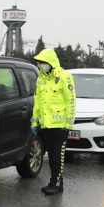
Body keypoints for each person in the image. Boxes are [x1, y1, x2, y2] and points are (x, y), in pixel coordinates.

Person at [31, 48, 76, 195]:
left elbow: (71, 101)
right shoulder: (41, 78)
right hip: (46, 125)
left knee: (58, 156)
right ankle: (55, 182)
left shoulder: (64, 76)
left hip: (60, 126)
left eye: (43, 62)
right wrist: (34, 122)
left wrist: (69, 124)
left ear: (51, 62)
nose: (41, 64)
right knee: (51, 156)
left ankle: (55, 183)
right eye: (39, 62)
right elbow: (37, 101)